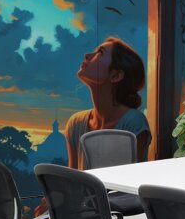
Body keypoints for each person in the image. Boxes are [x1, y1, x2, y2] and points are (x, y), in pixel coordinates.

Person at [64, 36, 151, 168]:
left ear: (115, 76)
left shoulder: (133, 122)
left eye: (100, 52)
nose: (87, 55)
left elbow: (135, 181)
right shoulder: (75, 123)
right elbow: (72, 181)